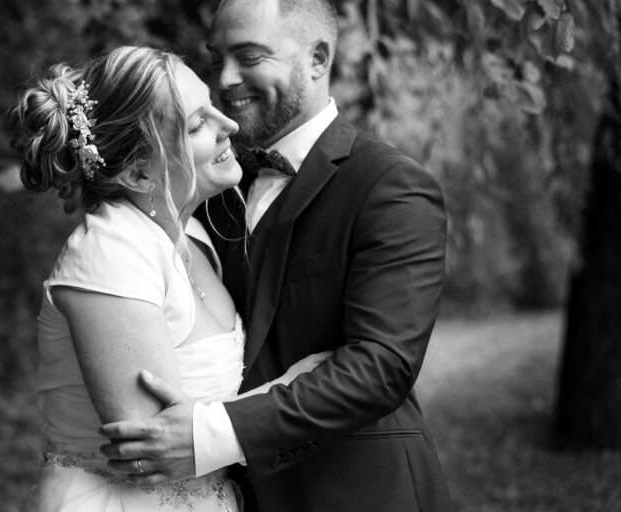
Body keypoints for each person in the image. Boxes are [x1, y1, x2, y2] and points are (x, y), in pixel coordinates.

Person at [98, 1, 453, 511]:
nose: (225, 78)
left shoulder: (391, 187)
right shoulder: (206, 180)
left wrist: (211, 434)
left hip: (360, 492)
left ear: (318, 58)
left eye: (249, 56)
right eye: (217, 56)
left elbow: (382, 366)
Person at [8, 45, 327, 512]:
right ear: (139, 171)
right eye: (198, 124)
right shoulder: (110, 252)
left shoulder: (192, 238)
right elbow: (152, 449)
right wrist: (299, 383)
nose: (230, 125)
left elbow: (197, 433)